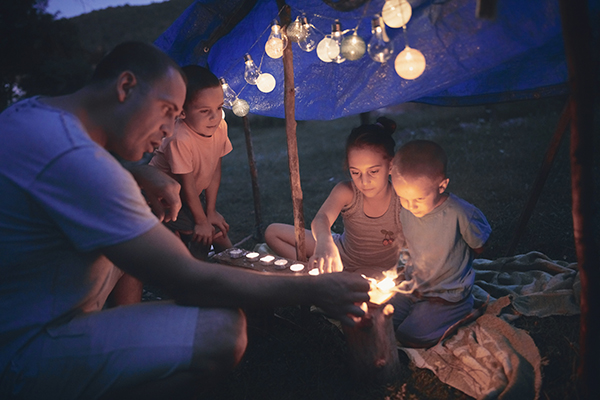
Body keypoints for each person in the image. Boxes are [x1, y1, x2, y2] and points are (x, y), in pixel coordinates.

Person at [0, 41, 370, 400]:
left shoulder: (32, 117)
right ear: (126, 86)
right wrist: (316, 289)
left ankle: (120, 328)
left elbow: (71, 172)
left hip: (29, 306)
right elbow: (189, 280)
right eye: (166, 111)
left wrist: (138, 174)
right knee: (223, 331)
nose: (167, 130)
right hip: (28, 349)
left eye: (177, 118)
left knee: (141, 213)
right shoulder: (76, 161)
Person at [265, 117, 405, 278]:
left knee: (362, 285)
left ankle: (326, 276)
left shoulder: (402, 197)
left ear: (391, 166)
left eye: (373, 172)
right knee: (273, 232)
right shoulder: (347, 191)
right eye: (355, 172)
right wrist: (325, 244)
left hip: (375, 270)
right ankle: (314, 269)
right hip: (338, 250)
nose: (364, 181)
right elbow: (321, 218)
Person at [389, 139, 492, 348]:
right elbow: (409, 244)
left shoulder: (461, 214)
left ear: (442, 185)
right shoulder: (407, 212)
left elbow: (480, 245)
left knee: (410, 336)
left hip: (447, 295)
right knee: (382, 321)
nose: (410, 206)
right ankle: (420, 310)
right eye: (402, 198)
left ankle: (463, 311)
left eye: (418, 199)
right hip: (414, 288)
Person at [149, 65, 232, 260]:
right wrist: (201, 221)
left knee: (218, 231)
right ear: (183, 112)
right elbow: (185, 185)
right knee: (200, 234)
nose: (215, 117)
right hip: (165, 200)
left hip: (191, 195)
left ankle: (245, 272)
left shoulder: (220, 127)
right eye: (205, 111)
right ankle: (194, 275)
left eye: (219, 108)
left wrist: (210, 212)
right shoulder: (179, 139)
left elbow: (214, 171)